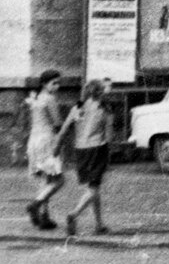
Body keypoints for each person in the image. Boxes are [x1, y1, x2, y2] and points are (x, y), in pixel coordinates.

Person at [61, 78, 115, 237]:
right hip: (97, 148)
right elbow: (109, 135)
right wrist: (110, 153)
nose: (108, 90)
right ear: (100, 92)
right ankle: (74, 214)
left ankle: (99, 224)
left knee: (93, 188)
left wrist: (57, 147)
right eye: (106, 88)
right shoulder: (105, 109)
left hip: (80, 150)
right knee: (93, 188)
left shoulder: (78, 108)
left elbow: (65, 128)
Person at [24, 70, 67, 231]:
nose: (57, 87)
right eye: (54, 83)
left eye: (58, 83)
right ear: (44, 84)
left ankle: (44, 216)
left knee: (46, 179)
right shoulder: (50, 99)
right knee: (59, 181)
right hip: (47, 140)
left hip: (34, 140)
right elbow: (57, 122)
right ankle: (36, 204)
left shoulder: (36, 98)